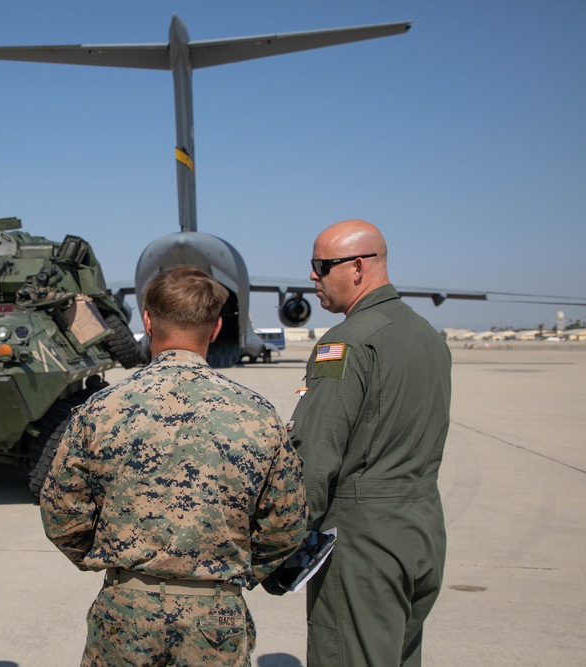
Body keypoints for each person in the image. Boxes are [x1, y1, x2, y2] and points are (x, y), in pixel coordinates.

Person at [40, 264, 307, 666]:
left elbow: (62, 515)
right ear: (215, 328)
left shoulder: (101, 410)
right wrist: (239, 570)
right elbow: (286, 525)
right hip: (215, 620)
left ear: (147, 322)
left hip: (125, 613)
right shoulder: (257, 414)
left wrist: (113, 562)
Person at [288, 220, 451, 666]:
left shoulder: (347, 342)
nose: (312, 277)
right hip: (422, 532)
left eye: (321, 265)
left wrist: (283, 543)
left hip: (363, 544)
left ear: (357, 267)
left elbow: (314, 458)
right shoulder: (426, 336)